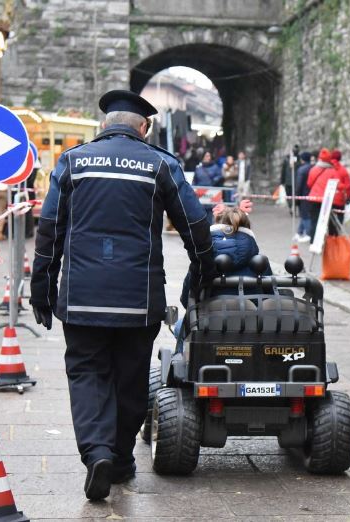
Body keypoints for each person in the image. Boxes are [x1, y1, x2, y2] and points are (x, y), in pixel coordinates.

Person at [30, 90, 216, 501]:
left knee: (87, 375)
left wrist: (41, 289)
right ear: (144, 127)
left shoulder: (73, 162)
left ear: (104, 124)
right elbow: (195, 224)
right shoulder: (160, 165)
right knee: (131, 381)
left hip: (81, 300)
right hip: (138, 300)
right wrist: (205, 271)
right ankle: (120, 457)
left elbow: (49, 230)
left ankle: (97, 452)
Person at [307, 148, 350, 241]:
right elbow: (338, 185)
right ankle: (323, 240)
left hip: (313, 198)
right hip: (325, 200)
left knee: (314, 220)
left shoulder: (313, 169)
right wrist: (344, 187)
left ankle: (313, 240)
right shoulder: (332, 171)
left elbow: (309, 184)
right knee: (324, 222)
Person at [194, 151, 224, 223]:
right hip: (200, 193)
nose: (207, 157)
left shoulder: (215, 167)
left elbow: (220, 176)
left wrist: (214, 180)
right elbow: (195, 180)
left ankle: (210, 229)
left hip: (211, 192)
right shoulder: (198, 168)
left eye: (209, 156)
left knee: (210, 213)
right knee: (200, 213)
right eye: (206, 156)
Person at [295, 151, 313, 242]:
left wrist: (297, 196)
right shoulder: (314, 168)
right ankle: (300, 232)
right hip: (312, 194)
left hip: (303, 194)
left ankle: (308, 233)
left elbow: (299, 184)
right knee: (304, 214)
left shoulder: (301, 170)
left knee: (305, 215)